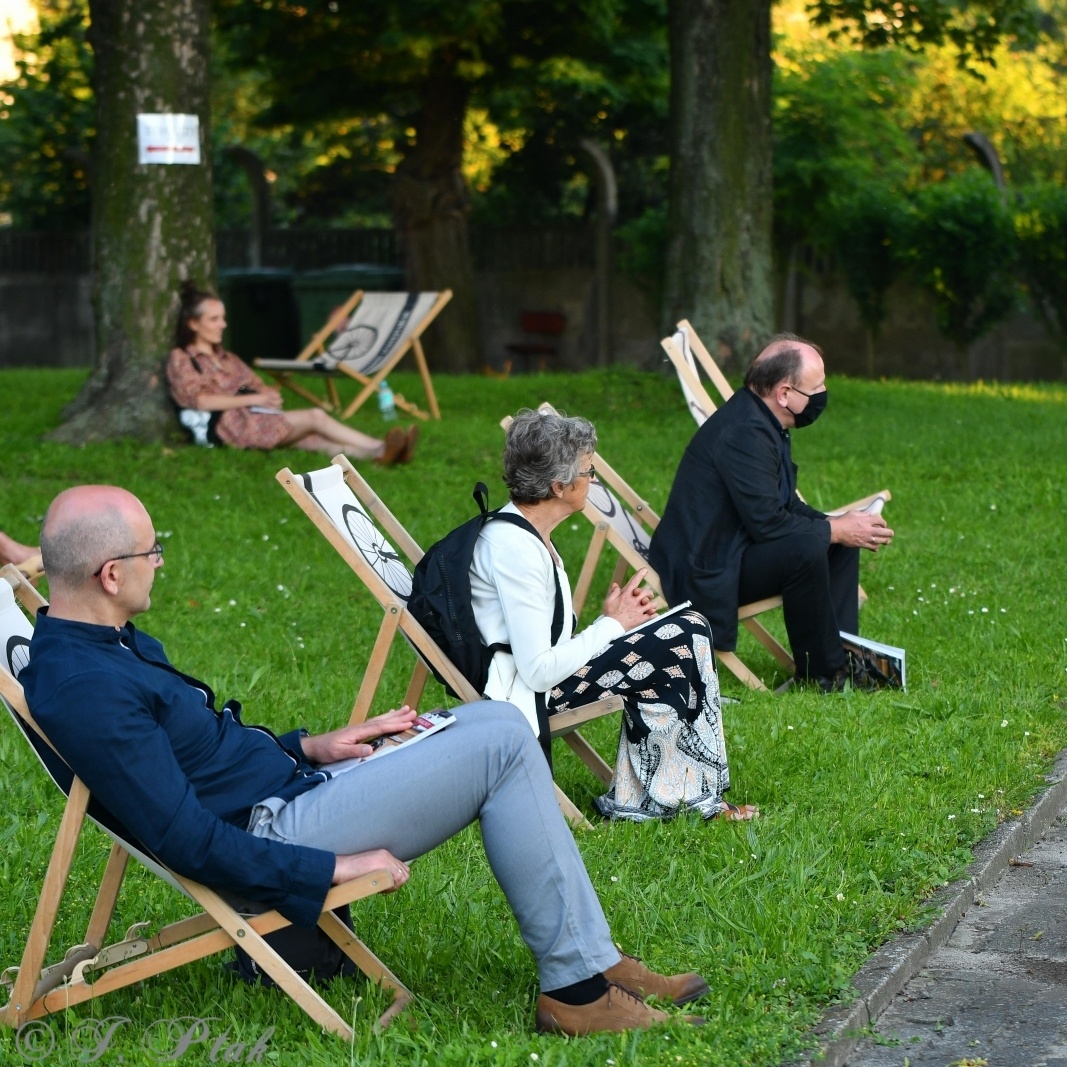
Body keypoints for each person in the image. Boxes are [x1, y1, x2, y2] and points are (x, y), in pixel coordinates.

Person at [19, 484, 707, 1035]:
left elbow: (203, 751)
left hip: (294, 788)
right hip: (273, 831)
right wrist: (334, 868)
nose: (159, 561)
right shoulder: (87, 688)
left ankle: (591, 959)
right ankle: (578, 988)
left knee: (479, 723)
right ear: (111, 573)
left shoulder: (98, 642)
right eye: (151, 551)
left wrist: (311, 745)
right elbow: (188, 840)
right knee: (500, 736)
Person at [471, 409, 755, 821]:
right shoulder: (515, 550)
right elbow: (536, 672)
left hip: (539, 681)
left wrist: (609, 625)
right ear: (558, 485)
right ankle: (674, 799)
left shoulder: (527, 535)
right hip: (523, 698)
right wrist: (611, 626)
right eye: (588, 472)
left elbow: (545, 646)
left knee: (686, 629)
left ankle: (668, 793)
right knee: (681, 639)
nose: (593, 481)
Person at [649, 334, 894, 690]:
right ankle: (823, 676)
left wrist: (842, 526)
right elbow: (768, 523)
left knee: (834, 539)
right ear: (784, 394)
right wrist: (835, 530)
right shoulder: (745, 433)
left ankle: (844, 659)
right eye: (817, 387)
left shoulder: (761, 420)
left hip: (731, 549)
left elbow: (784, 504)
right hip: (706, 568)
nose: (822, 394)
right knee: (808, 548)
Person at [165, 281, 415, 464]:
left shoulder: (226, 358)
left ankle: (379, 456)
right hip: (228, 427)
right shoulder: (183, 359)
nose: (223, 325)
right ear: (193, 324)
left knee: (313, 439)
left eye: (223, 318)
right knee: (315, 417)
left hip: (256, 417)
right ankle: (380, 445)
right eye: (214, 319)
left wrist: (268, 396)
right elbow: (200, 400)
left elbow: (256, 384)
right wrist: (254, 399)